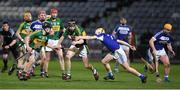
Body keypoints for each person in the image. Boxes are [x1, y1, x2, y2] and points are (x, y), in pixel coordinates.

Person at [76, 28, 147, 83]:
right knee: (104, 61)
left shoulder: (101, 36)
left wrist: (80, 37)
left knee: (127, 68)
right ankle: (110, 74)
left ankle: (142, 76)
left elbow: (90, 37)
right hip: (115, 51)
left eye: (97, 33)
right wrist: (129, 45)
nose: (96, 34)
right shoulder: (109, 35)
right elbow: (119, 41)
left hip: (118, 51)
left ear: (100, 32)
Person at [42, 8, 65, 78]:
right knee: (47, 58)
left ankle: (63, 73)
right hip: (49, 40)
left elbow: (63, 29)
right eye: (53, 13)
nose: (54, 14)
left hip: (57, 41)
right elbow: (43, 18)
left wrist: (67, 33)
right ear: (51, 13)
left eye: (55, 13)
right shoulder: (47, 21)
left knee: (61, 56)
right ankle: (45, 72)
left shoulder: (59, 20)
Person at [16, 11, 32, 75]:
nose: (30, 17)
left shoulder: (32, 24)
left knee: (24, 57)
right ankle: (25, 70)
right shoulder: (23, 24)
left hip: (27, 43)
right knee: (25, 57)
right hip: (22, 43)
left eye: (30, 16)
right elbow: (17, 33)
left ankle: (20, 70)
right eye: (29, 16)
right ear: (26, 17)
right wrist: (22, 39)